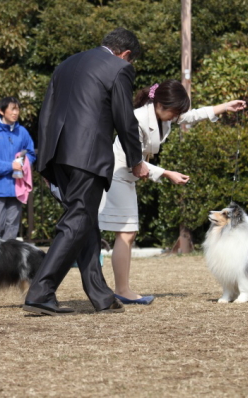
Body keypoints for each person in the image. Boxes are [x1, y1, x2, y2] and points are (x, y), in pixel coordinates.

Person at [23, 28, 150, 316]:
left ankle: (101, 295)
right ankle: (40, 292)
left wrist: (45, 159)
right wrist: (136, 160)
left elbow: (47, 111)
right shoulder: (119, 68)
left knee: (85, 222)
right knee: (78, 219)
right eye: (132, 61)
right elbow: (124, 118)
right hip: (88, 154)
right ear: (126, 54)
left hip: (59, 153)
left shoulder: (67, 63)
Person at [98, 80, 247, 305]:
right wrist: (167, 173)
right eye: (174, 112)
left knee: (127, 233)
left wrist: (224, 106)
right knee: (125, 233)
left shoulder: (162, 114)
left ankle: (122, 288)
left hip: (127, 176)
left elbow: (193, 115)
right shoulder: (137, 119)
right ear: (159, 104)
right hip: (118, 173)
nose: (176, 117)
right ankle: (122, 289)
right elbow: (134, 160)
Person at [0, 97, 36, 239]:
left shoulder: (22, 132)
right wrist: (10, 165)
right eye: (12, 109)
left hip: (16, 187)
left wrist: (23, 162)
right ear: (1, 111)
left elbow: (30, 153)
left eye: (17, 109)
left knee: (12, 227)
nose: (15, 112)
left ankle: (7, 261)